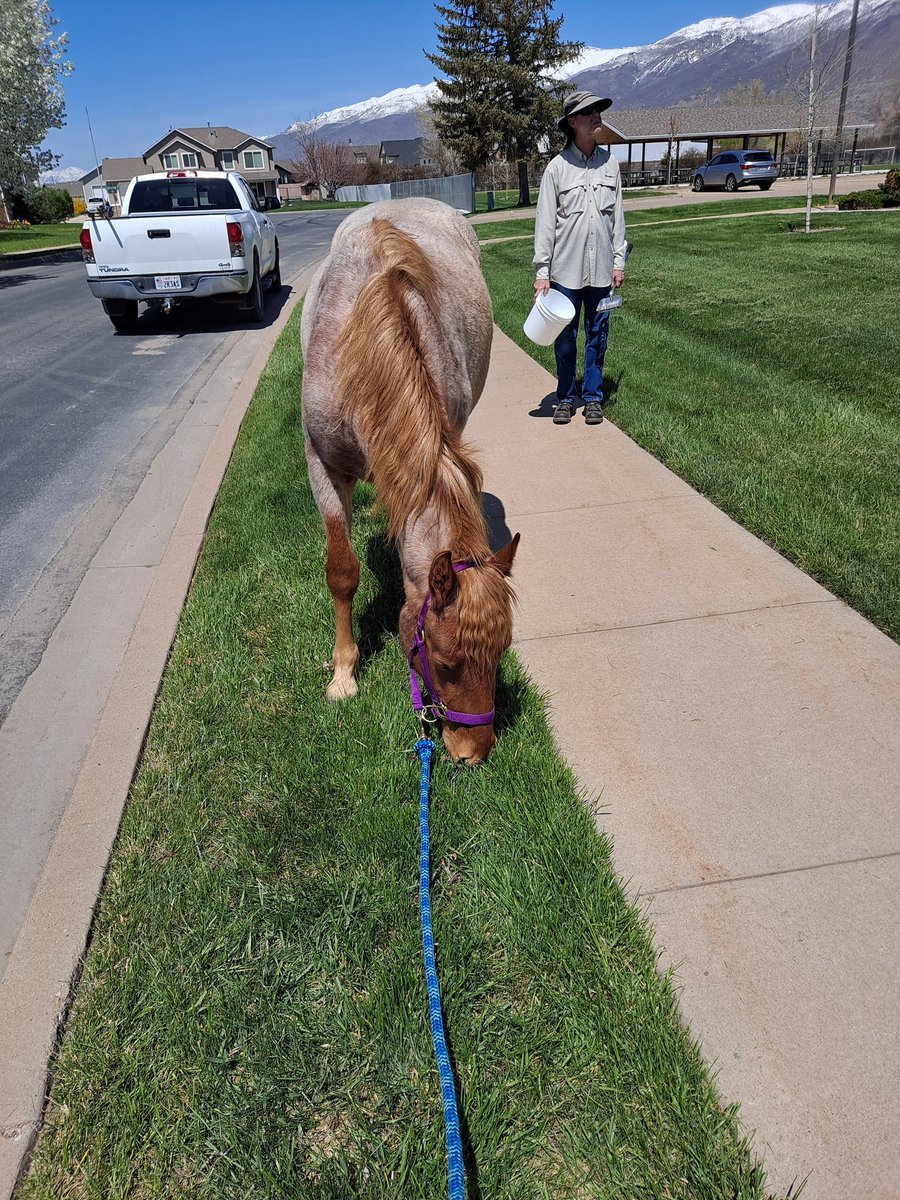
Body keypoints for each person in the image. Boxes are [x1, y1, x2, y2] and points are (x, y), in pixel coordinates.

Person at [533, 90, 627, 425]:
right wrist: (542, 271)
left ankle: (592, 397)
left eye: (598, 110)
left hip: (602, 270)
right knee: (565, 337)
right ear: (572, 122)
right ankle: (564, 396)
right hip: (564, 272)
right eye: (588, 112)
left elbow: (617, 218)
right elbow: (545, 224)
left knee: (597, 334)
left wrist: (619, 262)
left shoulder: (610, 165)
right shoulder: (557, 169)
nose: (596, 116)